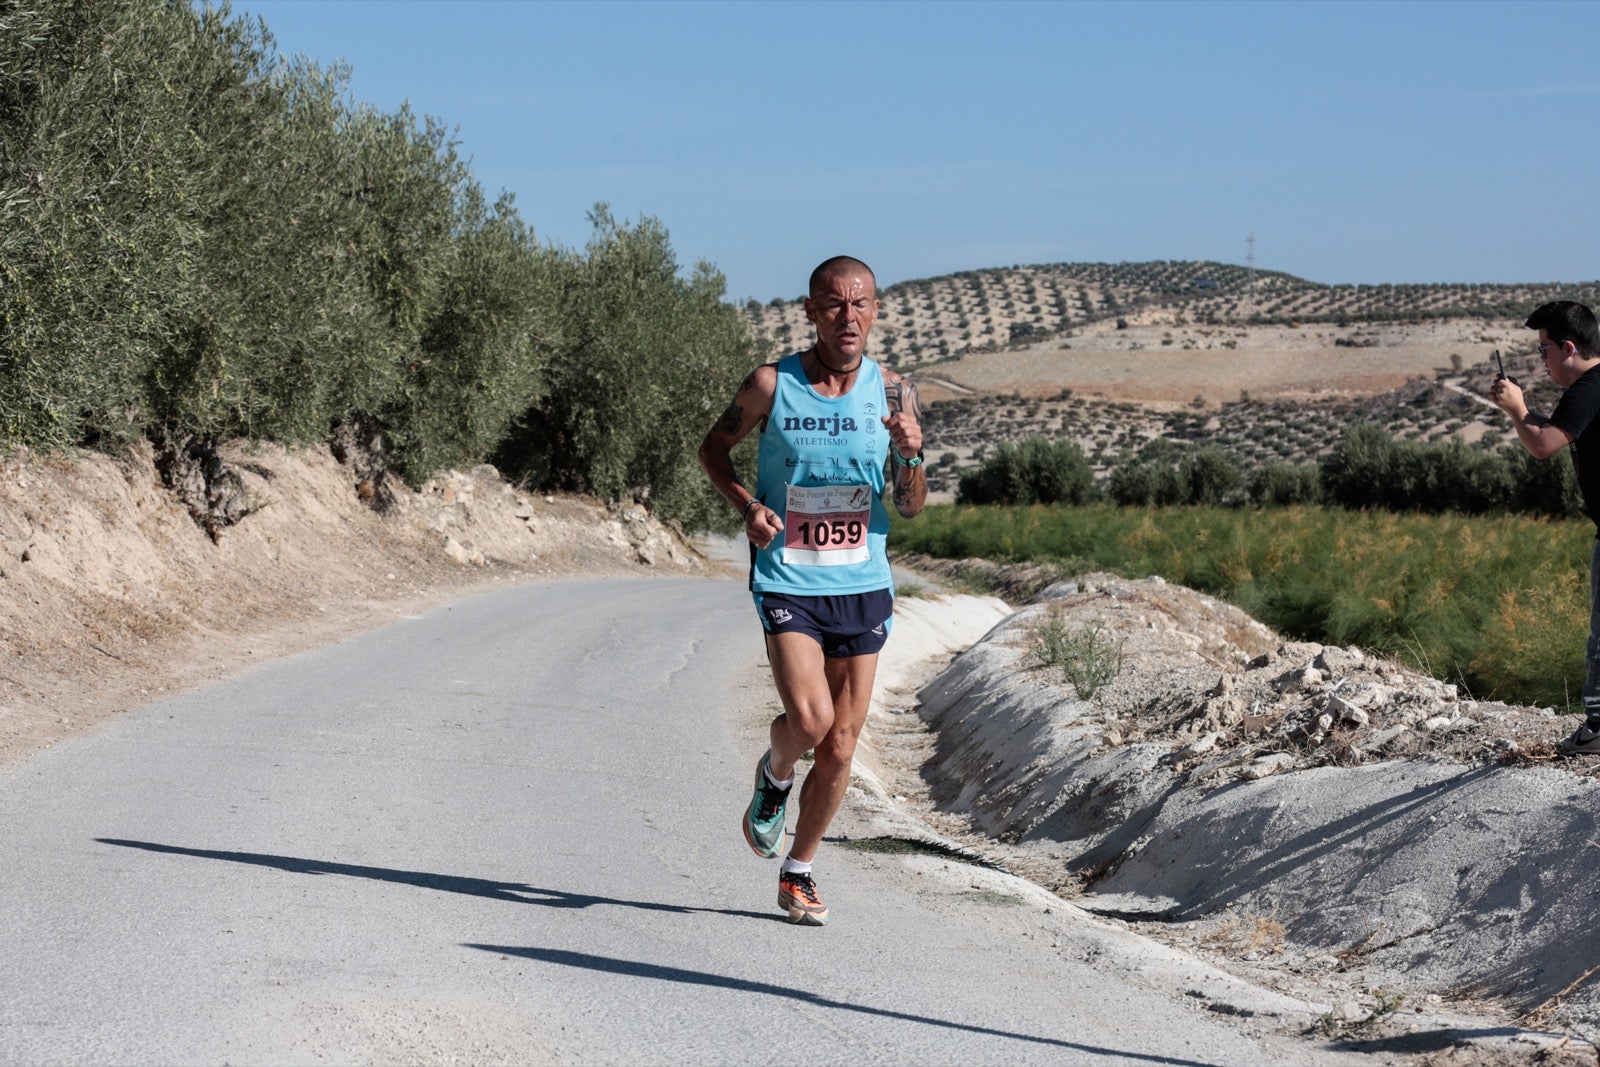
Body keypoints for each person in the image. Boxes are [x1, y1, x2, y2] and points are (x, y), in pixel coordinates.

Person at [698, 255, 926, 925]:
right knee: (809, 722)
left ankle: (798, 870)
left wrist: (911, 454)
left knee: (842, 746)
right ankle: (774, 772)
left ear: (876, 311)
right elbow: (713, 450)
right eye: (833, 304)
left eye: (860, 304)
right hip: (788, 575)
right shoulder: (773, 385)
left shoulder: (894, 394)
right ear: (809, 311)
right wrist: (746, 505)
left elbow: (910, 508)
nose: (847, 317)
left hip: (861, 580)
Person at [1491, 300, 1600, 754]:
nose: (1543, 359)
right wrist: (1524, 408)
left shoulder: (1589, 389)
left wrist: (1517, 410)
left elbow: (1543, 444)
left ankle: (1596, 731)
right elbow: (1555, 430)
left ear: (1568, 347)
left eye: (1544, 349)